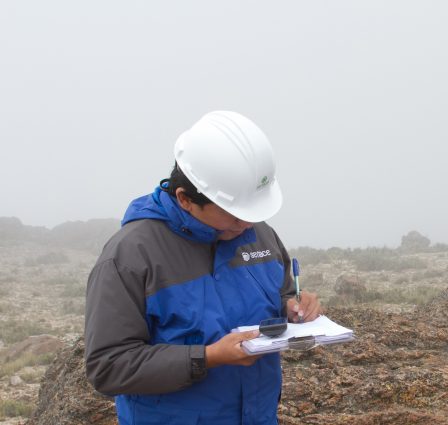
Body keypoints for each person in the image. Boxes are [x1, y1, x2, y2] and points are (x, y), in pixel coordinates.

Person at [84, 111, 321, 425]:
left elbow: (280, 294)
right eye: (233, 214)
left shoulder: (257, 234)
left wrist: (292, 306)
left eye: (250, 211)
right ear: (185, 199)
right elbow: (109, 366)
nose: (247, 223)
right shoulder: (130, 256)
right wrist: (208, 358)